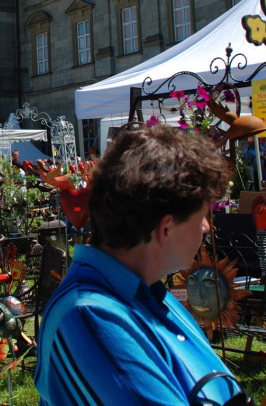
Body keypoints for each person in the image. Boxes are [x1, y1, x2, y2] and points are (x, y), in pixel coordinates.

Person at [35, 124, 249, 405]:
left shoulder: (143, 292)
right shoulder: (91, 316)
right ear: (166, 229)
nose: (207, 227)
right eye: (202, 215)